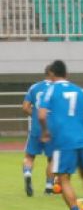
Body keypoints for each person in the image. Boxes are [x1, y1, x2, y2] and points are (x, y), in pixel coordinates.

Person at [38, 60, 83, 210]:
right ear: (67, 74)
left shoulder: (50, 90)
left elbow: (42, 115)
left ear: (52, 74)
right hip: (82, 139)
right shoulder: (80, 90)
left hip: (63, 141)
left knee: (63, 178)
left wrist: (45, 132)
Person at [21, 65, 55, 196]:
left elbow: (25, 107)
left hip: (36, 127)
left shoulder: (34, 87)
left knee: (29, 156)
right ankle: (48, 187)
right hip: (51, 127)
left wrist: (35, 115)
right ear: (52, 73)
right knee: (52, 158)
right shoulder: (55, 88)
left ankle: (28, 173)